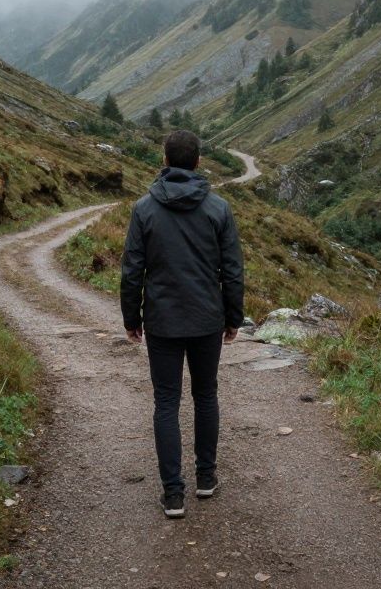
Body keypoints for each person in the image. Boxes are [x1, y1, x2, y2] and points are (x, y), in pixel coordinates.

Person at [120, 129, 244, 518]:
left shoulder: (144, 209)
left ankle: (173, 493)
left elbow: (131, 270)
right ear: (198, 162)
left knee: (166, 403)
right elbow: (233, 270)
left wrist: (132, 317)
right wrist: (233, 317)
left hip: (162, 321)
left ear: (165, 161)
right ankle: (206, 478)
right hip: (207, 319)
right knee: (206, 395)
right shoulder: (219, 208)